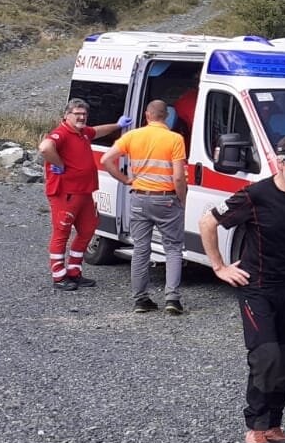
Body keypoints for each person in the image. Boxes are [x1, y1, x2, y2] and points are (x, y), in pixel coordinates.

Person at [199, 133, 285, 443]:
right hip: (256, 288)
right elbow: (208, 221)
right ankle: (256, 427)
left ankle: (274, 423)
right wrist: (219, 267)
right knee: (267, 356)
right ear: (279, 162)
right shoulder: (255, 195)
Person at [101, 100, 188, 315]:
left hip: (139, 199)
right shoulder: (175, 139)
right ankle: (172, 299)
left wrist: (125, 179)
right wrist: (182, 199)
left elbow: (106, 159)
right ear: (166, 116)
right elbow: (178, 177)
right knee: (174, 248)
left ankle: (140, 300)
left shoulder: (132, 136)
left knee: (141, 249)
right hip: (166, 200)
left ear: (147, 115)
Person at [38, 99, 128, 292]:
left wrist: (118, 125)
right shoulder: (61, 133)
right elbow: (45, 148)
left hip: (84, 192)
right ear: (66, 115)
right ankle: (59, 276)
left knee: (88, 229)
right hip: (66, 193)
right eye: (77, 114)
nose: (81, 117)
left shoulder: (83, 132)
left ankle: (74, 271)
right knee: (61, 233)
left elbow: (98, 131)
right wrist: (59, 164)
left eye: (83, 114)